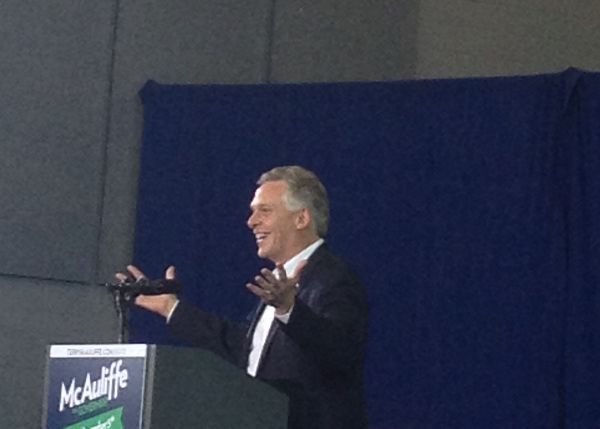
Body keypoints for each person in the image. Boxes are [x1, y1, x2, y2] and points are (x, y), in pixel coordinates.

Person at [118, 165, 368, 429]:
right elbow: (243, 350)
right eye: (252, 212)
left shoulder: (334, 278)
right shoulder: (279, 284)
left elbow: (341, 353)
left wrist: (289, 310)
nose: (252, 222)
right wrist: (172, 308)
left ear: (301, 218)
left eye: (265, 211)